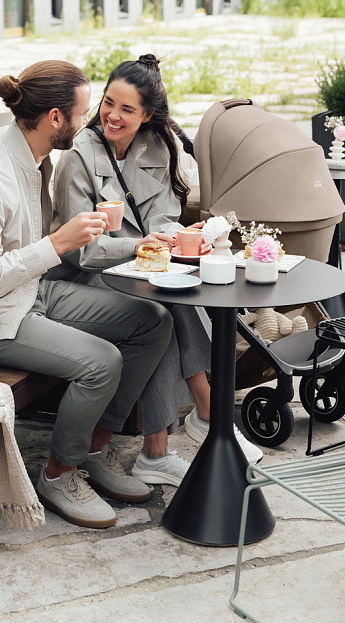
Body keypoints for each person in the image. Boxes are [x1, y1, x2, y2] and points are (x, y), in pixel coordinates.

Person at [0, 60, 174, 529]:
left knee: (153, 320)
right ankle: (59, 474)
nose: (91, 123)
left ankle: (94, 449)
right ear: (55, 118)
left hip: (28, 291)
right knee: (101, 362)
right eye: (83, 114)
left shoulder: (33, 155)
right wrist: (57, 243)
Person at [53, 54, 263, 485]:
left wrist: (179, 237)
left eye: (127, 109)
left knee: (167, 299)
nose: (112, 116)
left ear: (147, 115)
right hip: (87, 277)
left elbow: (162, 220)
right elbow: (80, 252)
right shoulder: (77, 157)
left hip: (140, 270)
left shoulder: (157, 147)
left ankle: (160, 449)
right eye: (108, 103)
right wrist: (141, 246)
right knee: (163, 304)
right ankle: (207, 414)